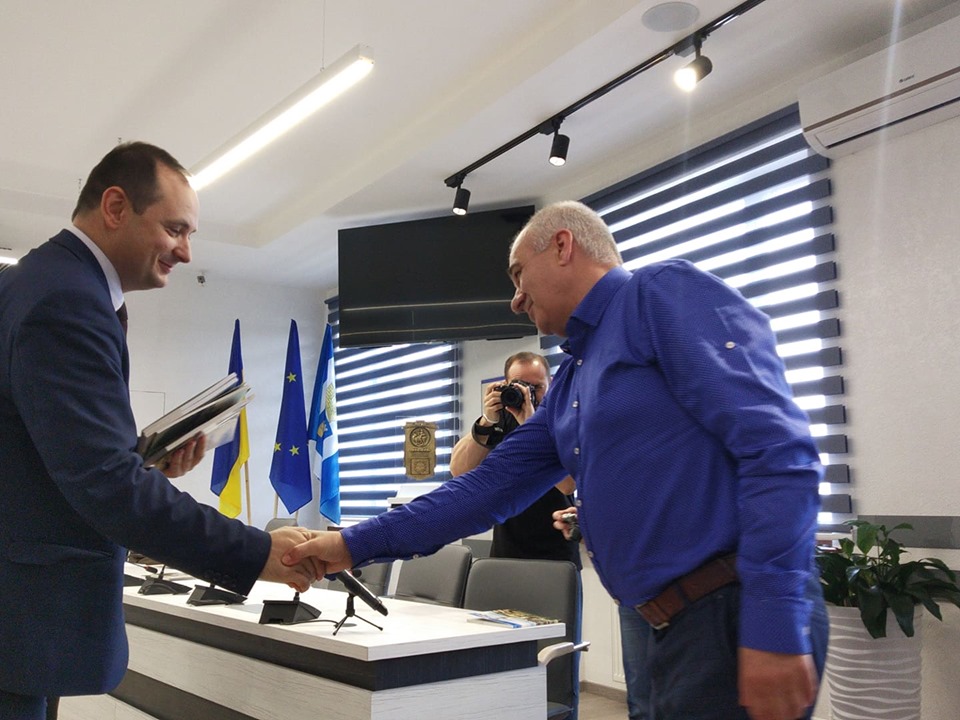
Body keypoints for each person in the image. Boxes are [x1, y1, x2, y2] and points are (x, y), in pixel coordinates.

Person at [284, 200, 829, 720]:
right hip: (661, 623)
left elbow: (779, 450)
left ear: (563, 246)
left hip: (728, 610)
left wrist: (774, 621)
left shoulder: (659, 295)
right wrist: (352, 544)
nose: (515, 300)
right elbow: (484, 488)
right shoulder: (570, 382)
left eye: (519, 274)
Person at [0, 142, 316, 720]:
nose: (186, 252)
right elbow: (104, 483)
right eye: (175, 229)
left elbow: (37, 457)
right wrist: (255, 551)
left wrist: (140, 461)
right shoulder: (66, 301)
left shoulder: (42, 282)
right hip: (21, 627)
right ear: (115, 207)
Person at [449, 351, 579, 567]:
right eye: (521, 386)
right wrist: (487, 421)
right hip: (506, 552)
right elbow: (458, 470)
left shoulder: (563, 421)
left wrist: (531, 425)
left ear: (551, 384)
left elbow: (568, 485)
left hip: (557, 555)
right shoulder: (500, 422)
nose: (529, 393)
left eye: (536, 387)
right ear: (506, 385)